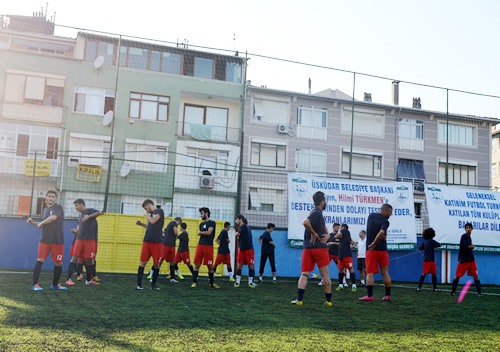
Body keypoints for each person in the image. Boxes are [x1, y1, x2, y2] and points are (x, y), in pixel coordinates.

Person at [291, 191, 332, 307]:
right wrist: (313, 233)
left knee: (304, 274)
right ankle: (328, 301)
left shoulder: (316, 213)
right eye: (326, 200)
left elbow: (323, 226)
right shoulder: (316, 212)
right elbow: (305, 222)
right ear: (322, 202)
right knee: (325, 275)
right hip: (319, 249)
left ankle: (299, 299)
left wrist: (328, 235)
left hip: (308, 249)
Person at [26, 190, 68, 291]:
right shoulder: (45, 210)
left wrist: (41, 223)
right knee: (40, 260)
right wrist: (33, 223)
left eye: (53, 196)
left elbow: (53, 218)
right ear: (46, 197)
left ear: (55, 198)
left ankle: (55, 285)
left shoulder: (58, 207)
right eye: (49, 196)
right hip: (45, 240)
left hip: (57, 240)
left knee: (58, 263)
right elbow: (43, 224)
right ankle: (35, 285)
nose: (51, 198)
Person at [359, 203, 393, 302]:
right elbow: (382, 232)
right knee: (385, 272)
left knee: (370, 273)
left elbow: (380, 232)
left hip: (371, 250)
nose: (391, 214)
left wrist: (373, 243)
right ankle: (388, 295)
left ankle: (370, 295)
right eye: (390, 212)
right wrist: (377, 242)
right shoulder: (385, 221)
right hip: (382, 250)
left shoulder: (371, 216)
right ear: (385, 211)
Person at [65, 199, 102, 286]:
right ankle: (68, 279)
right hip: (80, 239)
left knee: (89, 260)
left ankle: (89, 280)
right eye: (75, 206)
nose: (75, 207)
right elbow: (82, 229)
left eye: (76, 205)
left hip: (90, 239)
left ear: (82, 204)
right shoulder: (80, 216)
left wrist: (88, 216)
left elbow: (100, 212)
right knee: (74, 258)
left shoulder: (89, 211)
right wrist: (76, 231)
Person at [135, 199, 164, 291]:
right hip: (147, 241)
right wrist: (141, 224)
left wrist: (146, 215)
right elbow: (150, 226)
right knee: (143, 262)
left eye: (145, 208)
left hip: (157, 242)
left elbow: (153, 221)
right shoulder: (151, 215)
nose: (145, 210)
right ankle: (139, 285)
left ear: (148, 205)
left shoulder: (159, 211)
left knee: (156, 264)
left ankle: (153, 285)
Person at [448, 223, 483, 297]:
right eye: (467, 227)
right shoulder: (464, 236)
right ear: (465, 229)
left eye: (469, 227)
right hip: (464, 260)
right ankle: (453, 292)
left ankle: (479, 293)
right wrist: (472, 246)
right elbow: (468, 246)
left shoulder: (469, 237)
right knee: (457, 276)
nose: (468, 229)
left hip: (471, 260)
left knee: (476, 276)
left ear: (472, 229)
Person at [191, 207, 219, 289]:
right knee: (197, 265)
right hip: (200, 246)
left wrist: (200, 232)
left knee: (210, 266)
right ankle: (194, 282)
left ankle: (212, 283)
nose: (200, 215)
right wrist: (201, 233)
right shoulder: (201, 224)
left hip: (209, 247)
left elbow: (209, 232)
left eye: (202, 213)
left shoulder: (212, 223)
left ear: (206, 213)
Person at [234, 214, 257, 288]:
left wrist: (236, 234)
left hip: (248, 249)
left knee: (250, 265)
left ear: (240, 219)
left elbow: (237, 234)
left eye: (236, 219)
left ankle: (249, 282)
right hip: (242, 249)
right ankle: (238, 282)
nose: (235, 221)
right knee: (240, 265)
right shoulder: (244, 228)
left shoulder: (243, 226)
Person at [334, 224, 357, 292]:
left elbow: (335, 236)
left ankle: (354, 285)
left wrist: (349, 248)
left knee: (350, 269)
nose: (340, 229)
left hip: (347, 254)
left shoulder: (345, 230)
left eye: (341, 228)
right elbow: (354, 243)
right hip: (341, 254)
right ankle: (340, 285)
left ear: (343, 228)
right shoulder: (345, 237)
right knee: (341, 270)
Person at [417, 227, 441, 292]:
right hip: (429, 260)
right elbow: (439, 245)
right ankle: (434, 288)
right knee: (431, 274)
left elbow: (419, 248)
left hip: (427, 260)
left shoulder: (425, 242)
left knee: (426, 273)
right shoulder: (432, 241)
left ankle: (420, 287)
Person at [159, 217, 182, 283]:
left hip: (168, 244)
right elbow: (176, 233)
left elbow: (163, 231)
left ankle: (172, 277)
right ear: (178, 221)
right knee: (163, 260)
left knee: (171, 260)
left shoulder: (170, 224)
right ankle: (172, 277)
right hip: (169, 244)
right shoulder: (174, 223)